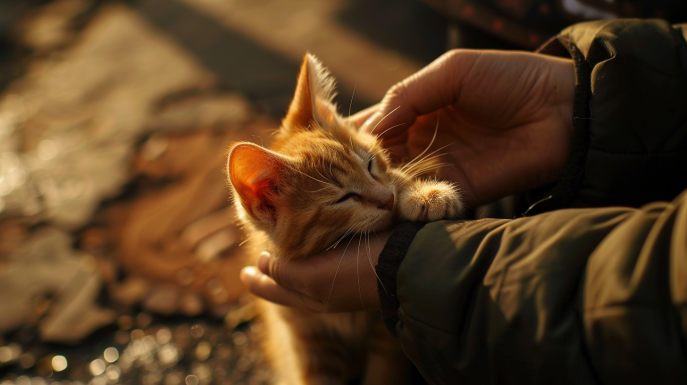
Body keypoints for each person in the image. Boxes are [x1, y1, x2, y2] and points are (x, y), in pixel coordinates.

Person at [241, 19, 687, 384]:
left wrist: (409, 228)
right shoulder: (284, 201)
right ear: (267, 205)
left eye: (374, 165)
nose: (384, 195)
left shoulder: (380, 188)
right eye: (346, 197)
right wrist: (568, 100)